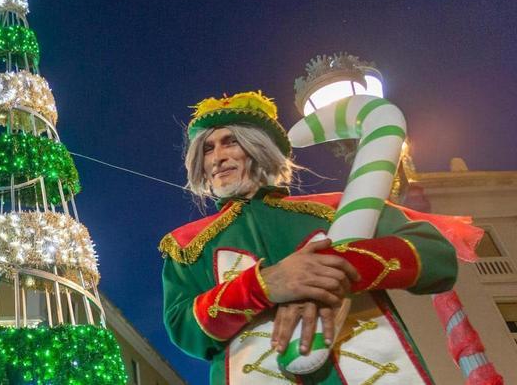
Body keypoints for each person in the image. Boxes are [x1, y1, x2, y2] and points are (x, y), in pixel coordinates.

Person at [160, 91, 458, 384]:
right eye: (208, 149)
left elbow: (436, 255)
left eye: (230, 142)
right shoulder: (188, 243)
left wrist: (335, 268)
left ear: (259, 148)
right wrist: (264, 285)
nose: (218, 158)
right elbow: (184, 329)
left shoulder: (338, 209)